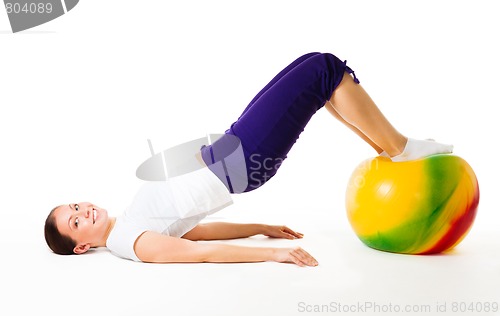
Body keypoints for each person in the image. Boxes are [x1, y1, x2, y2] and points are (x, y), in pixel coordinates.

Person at [44, 52, 453, 267]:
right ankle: (400, 149)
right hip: (241, 161)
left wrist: (261, 228)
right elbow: (199, 255)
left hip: (232, 148)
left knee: (320, 69)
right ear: (80, 246)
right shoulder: (131, 244)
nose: (84, 211)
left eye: (77, 206)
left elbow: (196, 233)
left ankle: (389, 148)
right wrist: (271, 254)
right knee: (322, 70)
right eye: (75, 220)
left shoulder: (129, 222)